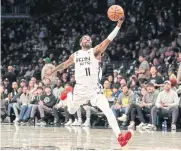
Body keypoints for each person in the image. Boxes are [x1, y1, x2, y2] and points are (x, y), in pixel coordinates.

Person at [47, 18, 132, 147]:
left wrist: (118, 26)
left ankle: (120, 136)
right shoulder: (76, 55)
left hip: (94, 91)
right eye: (85, 38)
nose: (88, 39)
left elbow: (108, 40)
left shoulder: (95, 51)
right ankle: (68, 94)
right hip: (79, 90)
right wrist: (54, 70)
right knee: (71, 110)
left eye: (89, 38)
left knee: (107, 110)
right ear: (81, 42)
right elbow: (64, 64)